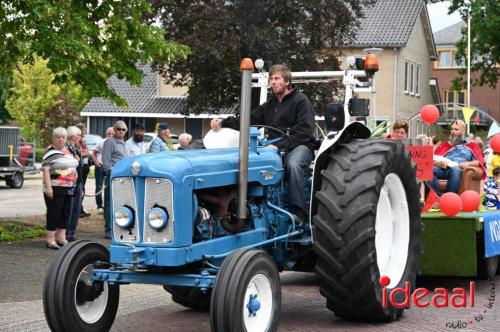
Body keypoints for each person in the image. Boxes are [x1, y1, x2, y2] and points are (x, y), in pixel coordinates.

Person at [211, 64, 316, 223]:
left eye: (277, 78)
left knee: (293, 164)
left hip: (300, 145)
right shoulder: (271, 105)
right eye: (271, 79)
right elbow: (248, 119)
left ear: (287, 81)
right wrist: (223, 122)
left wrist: (280, 145)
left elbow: (305, 131)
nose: (273, 82)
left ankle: (298, 213)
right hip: (272, 146)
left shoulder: (301, 101)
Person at [41, 127, 78, 249]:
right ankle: (50, 239)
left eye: (63, 137)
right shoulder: (50, 152)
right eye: (58, 137)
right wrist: (48, 188)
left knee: (65, 213)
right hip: (55, 187)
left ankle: (61, 237)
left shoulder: (69, 150)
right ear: (53, 138)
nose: (60, 139)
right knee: (54, 213)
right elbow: (45, 170)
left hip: (69, 187)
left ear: (66, 138)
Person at [429, 120, 486, 195]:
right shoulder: (444, 145)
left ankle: (450, 198)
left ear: (463, 131)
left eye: (456, 129)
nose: (453, 131)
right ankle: (436, 198)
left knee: (455, 169)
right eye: (452, 129)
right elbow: (433, 159)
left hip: (459, 169)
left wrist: (468, 164)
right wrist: (437, 163)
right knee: (429, 170)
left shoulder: (472, 145)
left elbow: (480, 161)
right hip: (443, 168)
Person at [102, 121, 129, 239]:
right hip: (113, 178)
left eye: (123, 130)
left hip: (124, 179)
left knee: (121, 204)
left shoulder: (124, 143)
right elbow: (106, 163)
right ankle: (109, 230)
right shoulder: (110, 142)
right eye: (119, 129)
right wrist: (113, 173)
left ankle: (118, 227)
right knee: (109, 204)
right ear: (114, 129)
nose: (121, 131)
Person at [65, 126, 84, 242]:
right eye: (80, 135)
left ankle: (71, 233)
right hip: (70, 182)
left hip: (78, 181)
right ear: (73, 136)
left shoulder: (77, 148)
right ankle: (67, 234)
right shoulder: (66, 149)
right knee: (70, 208)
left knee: (77, 209)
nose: (81, 138)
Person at [91, 127, 114, 214]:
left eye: (112, 134)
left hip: (110, 167)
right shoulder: (101, 142)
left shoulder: (115, 143)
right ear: (106, 134)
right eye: (109, 134)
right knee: (99, 187)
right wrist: (96, 163)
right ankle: (99, 206)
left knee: (109, 186)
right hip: (100, 166)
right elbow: (93, 153)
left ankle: (109, 205)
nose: (110, 135)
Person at [76, 123, 91, 218]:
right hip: (78, 168)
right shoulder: (75, 143)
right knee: (79, 188)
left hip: (85, 167)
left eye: (84, 133)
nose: (83, 135)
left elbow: (87, 152)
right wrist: (85, 153)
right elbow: (81, 153)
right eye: (82, 134)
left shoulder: (83, 142)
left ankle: (80, 208)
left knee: (83, 188)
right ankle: (78, 210)